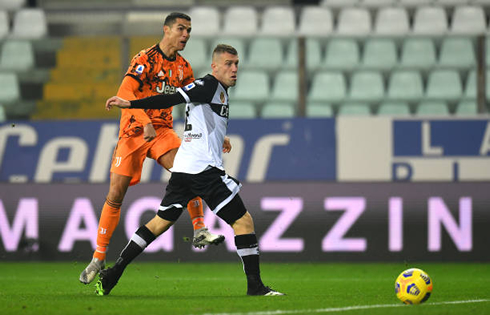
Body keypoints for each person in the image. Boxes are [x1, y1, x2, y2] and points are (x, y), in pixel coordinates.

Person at [96, 44, 284, 297]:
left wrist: (221, 137)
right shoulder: (207, 85)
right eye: (228, 63)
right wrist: (130, 103)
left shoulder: (218, 91)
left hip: (184, 169)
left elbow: (201, 121)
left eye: (236, 63)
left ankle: (113, 273)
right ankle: (256, 287)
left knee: (159, 223)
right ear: (214, 67)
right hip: (202, 170)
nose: (234, 68)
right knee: (243, 221)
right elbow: (171, 98)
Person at [79, 12, 226, 285]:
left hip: (163, 131)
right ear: (166, 30)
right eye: (181, 29)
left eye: (189, 30)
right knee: (115, 192)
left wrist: (215, 132)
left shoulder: (184, 68)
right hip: (133, 130)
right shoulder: (145, 59)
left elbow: (197, 104)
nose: (186, 35)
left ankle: (199, 229)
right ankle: (99, 257)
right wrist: (145, 120)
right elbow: (126, 89)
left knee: (187, 169)